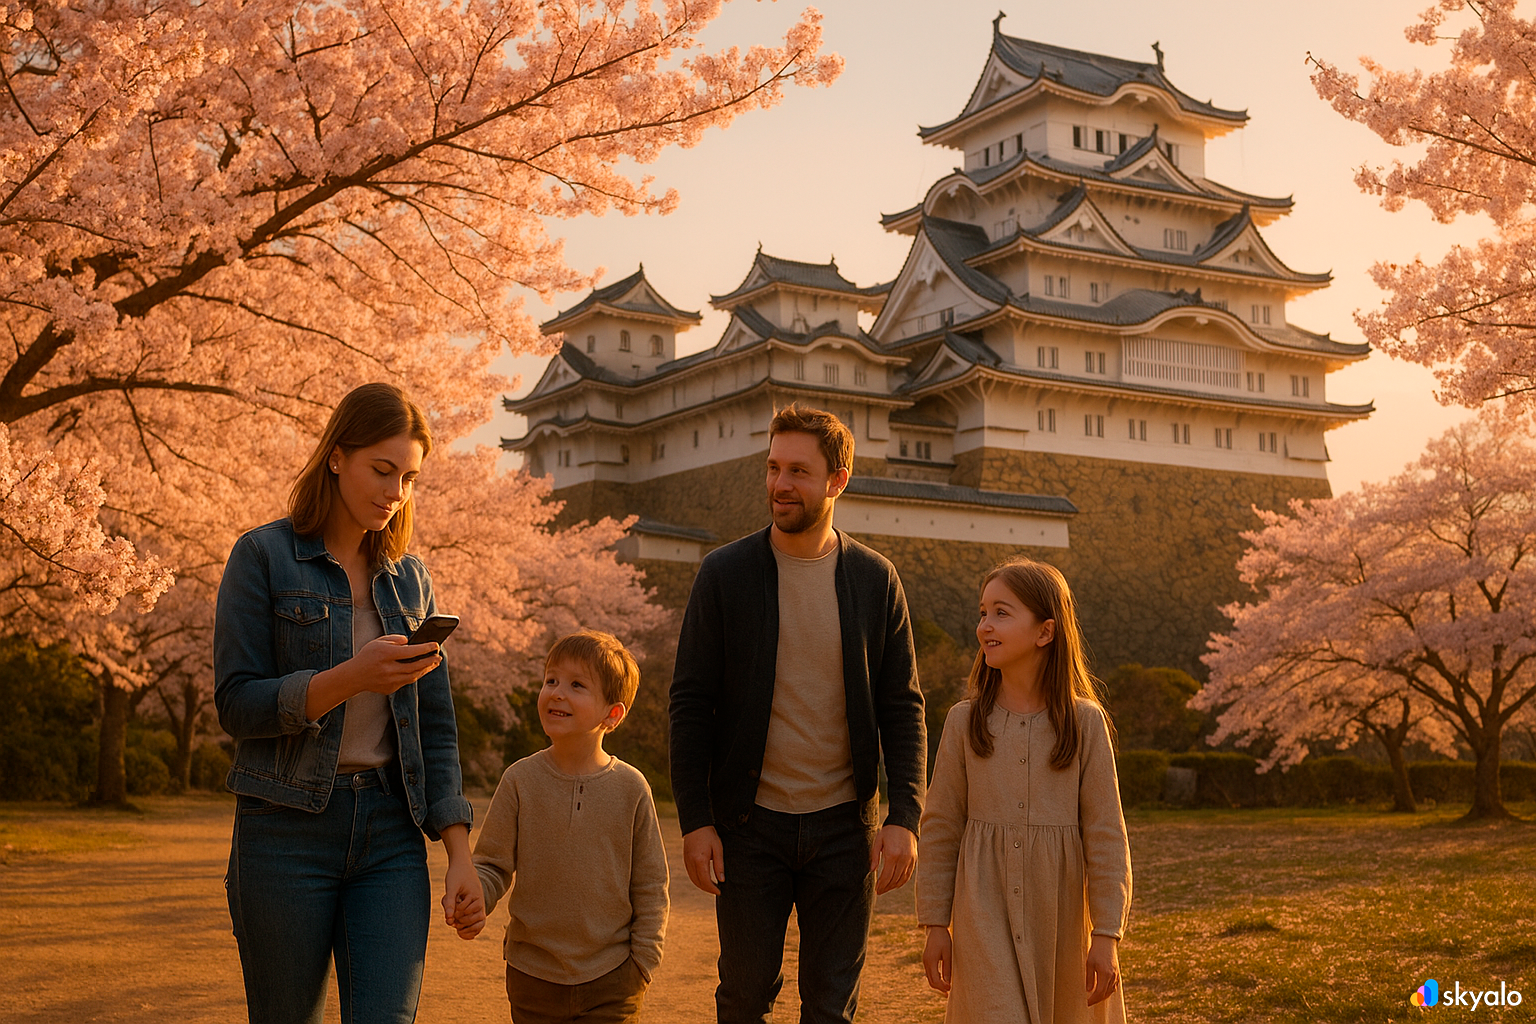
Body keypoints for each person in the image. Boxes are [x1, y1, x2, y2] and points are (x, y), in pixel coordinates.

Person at [214, 382, 482, 1024]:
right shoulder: (262, 557)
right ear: (337, 457)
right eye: (382, 470)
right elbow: (237, 705)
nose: (395, 493)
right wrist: (352, 677)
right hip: (284, 831)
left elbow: (435, 729)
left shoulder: (409, 578)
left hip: (390, 832)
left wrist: (460, 852)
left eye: (410, 478)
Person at [669, 403, 927, 1024]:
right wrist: (697, 819)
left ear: (838, 480)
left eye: (799, 472)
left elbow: (903, 704)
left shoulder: (874, 579)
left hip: (844, 829)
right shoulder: (724, 574)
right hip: (748, 827)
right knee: (744, 997)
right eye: (773, 468)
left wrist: (906, 814)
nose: (780, 484)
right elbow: (689, 701)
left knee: (832, 1006)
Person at [917, 557, 1131, 1024]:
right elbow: (940, 828)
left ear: (1045, 631)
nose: (984, 626)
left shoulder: (1085, 724)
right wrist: (936, 924)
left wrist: (1106, 936)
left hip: (1059, 921)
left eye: (1001, 612)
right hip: (981, 917)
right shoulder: (963, 722)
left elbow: (1106, 833)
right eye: (982, 612)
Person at [459, 629, 668, 1024]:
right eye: (550, 680)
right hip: (531, 975)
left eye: (577, 685)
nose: (556, 692)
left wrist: (642, 963)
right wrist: (476, 899)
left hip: (612, 979)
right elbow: (491, 866)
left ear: (613, 714)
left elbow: (651, 886)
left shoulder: (632, 788)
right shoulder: (519, 779)